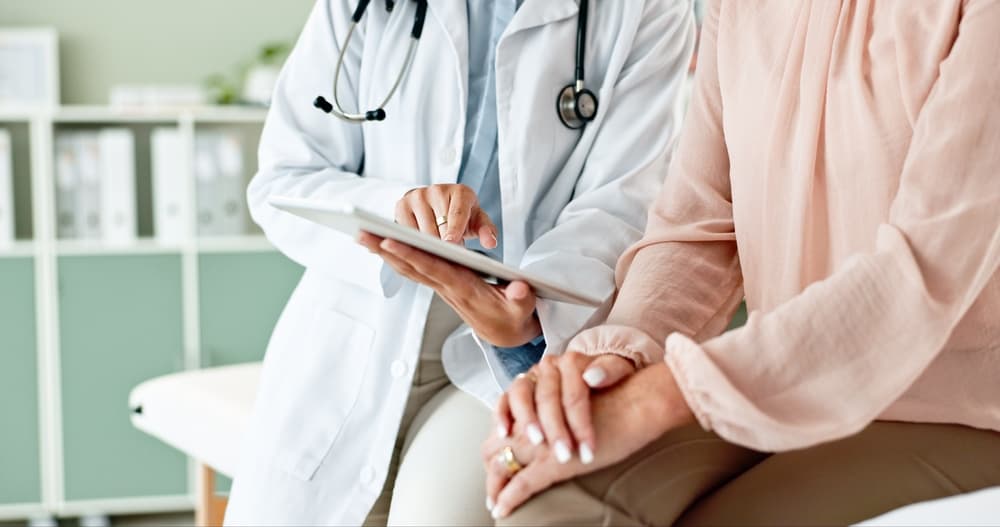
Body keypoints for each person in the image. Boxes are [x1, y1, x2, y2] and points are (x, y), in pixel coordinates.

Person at [481, 0, 1000, 524]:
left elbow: (918, 280)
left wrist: (661, 395)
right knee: (549, 505)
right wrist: (612, 359)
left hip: (951, 413)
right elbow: (699, 223)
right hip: (771, 381)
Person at [223, 0, 696, 525]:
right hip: (359, 329)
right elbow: (284, 179)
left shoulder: (647, 9)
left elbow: (621, 204)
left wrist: (527, 315)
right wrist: (397, 210)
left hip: (512, 352)